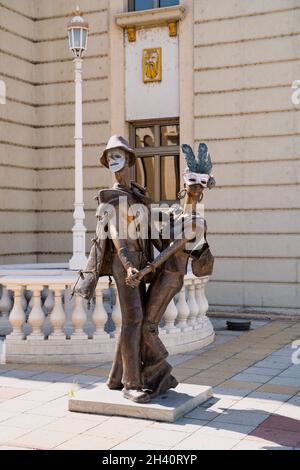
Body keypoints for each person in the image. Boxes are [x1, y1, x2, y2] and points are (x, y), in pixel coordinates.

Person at [74, 135, 162, 403]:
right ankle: (131, 384)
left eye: (118, 155)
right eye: (109, 156)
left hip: (141, 264)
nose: (113, 160)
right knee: (134, 319)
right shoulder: (110, 199)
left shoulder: (137, 196)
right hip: (125, 265)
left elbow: (154, 234)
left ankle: (115, 377)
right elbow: (115, 235)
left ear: (129, 160)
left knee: (134, 319)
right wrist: (127, 266)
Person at [126, 143, 216, 398]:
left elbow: (170, 252)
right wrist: (142, 211)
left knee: (147, 327)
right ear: (183, 186)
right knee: (143, 324)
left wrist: (144, 271)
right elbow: (158, 243)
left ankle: (161, 372)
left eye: (198, 188)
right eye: (191, 186)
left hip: (171, 278)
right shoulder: (175, 215)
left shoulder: (197, 221)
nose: (193, 192)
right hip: (160, 275)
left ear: (202, 192)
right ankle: (155, 375)